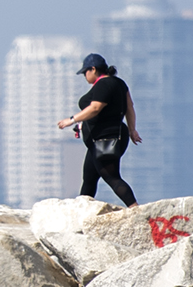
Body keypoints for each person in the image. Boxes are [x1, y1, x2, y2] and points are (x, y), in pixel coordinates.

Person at [58, 52, 141, 207]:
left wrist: (71, 120)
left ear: (93, 69)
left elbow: (96, 108)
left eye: (85, 72)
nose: (84, 76)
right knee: (89, 178)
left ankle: (137, 211)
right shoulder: (119, 83)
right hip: (102, 139)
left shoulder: (104, 84)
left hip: (106, 138)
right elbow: (129, 108)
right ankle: (80, 214)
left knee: (112, 177)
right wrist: (132, 130)